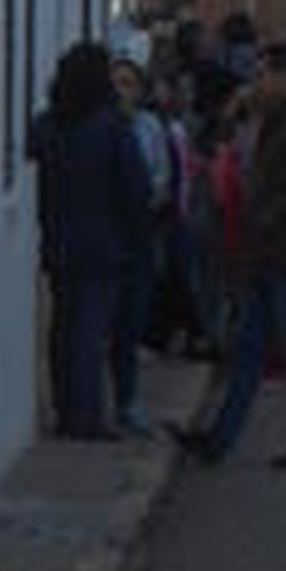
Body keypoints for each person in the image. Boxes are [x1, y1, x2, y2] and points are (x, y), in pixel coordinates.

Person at [171, 43, 286, 470]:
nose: (256, 83)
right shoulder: (273, 120)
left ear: (285, 78)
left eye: (264, 74)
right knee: (249, 351)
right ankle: (220, 439)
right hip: (264, 254)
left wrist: (272, 211)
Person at [33, 42, 152, 441]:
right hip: (104, 243)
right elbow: (136, 187)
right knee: (90, 331)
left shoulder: (47, 125)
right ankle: (87, 418)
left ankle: (67, 409)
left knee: (63, 328)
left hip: (59, 239)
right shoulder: (112, 126)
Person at [109, 54, 172, 435]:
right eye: (116, 83)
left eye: (128, 83)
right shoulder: (103, 129)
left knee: (131, 325)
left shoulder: (150, 128)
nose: (122, 91)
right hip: (112, 237)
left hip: (142, 235)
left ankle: (127, 402)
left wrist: (151, 197)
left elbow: (163, 174)